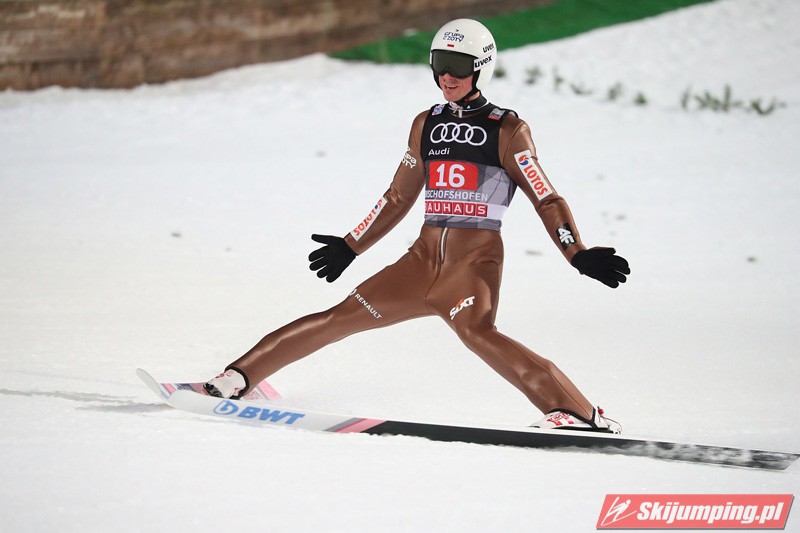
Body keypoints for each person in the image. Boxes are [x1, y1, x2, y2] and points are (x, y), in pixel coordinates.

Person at [205, 18, 630, 432]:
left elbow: (546, 197)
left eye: (458, 66)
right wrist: (350, 245)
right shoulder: (427, 123)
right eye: (440, 64)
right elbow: (398, 197)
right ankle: (239, 376)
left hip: (470, 265)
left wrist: (576, 252)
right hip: (419, 265)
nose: (447, 76)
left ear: (481, 68)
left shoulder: (508, 129)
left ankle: (577, 413)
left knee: (479, 333)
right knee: (340, 316)